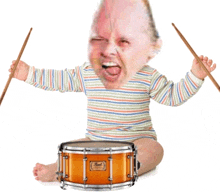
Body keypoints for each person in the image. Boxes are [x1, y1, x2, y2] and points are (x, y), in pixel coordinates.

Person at [9, 0, 216, 182]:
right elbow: (59, 80)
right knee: (70, 147)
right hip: (96, 141)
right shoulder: (89, 72)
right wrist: (28, 73)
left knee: (155, 151)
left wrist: (195, 75)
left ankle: (123, 169)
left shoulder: (147, 76)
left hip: (137, 142)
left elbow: (173, 96)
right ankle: (59, 170)